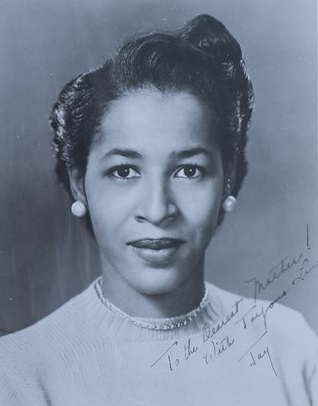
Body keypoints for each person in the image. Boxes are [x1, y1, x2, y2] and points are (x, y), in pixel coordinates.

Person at [0, 14, 317, 406]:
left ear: (228, 180)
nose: (157, 209)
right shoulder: (18, 374)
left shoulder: (292, 349)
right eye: (124, 171)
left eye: (189, 170)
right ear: (79, 182)